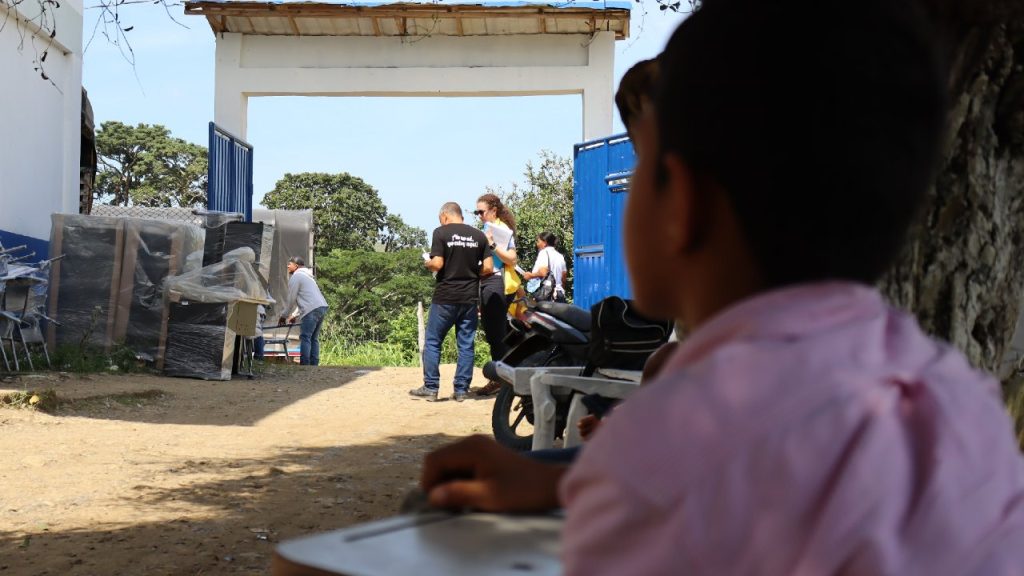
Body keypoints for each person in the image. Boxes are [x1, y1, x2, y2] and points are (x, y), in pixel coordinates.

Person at [418, 1, 1024, 574]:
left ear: (681, 205)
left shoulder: (709, 433)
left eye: (642, 162)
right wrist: (560, 476)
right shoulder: (955, 394)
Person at [410, 202, 493, 402]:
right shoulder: (479, 236)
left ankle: (431, 387)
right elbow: (489, 268)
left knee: (432, 341)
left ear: (445, 216)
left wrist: (427, 262)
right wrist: (472, 273)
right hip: (470, 298)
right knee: (465, 344)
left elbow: (437, 263)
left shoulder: (441, 232)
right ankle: (462, 390)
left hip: (445, 297)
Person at [471, 193, 518, 397]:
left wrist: (491, 244)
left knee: (497, 334)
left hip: (497, 283)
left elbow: (512, 259)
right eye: (477, 212)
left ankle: (500, 380)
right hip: (486, 283)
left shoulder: (501, 230)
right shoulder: (486, 228)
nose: (479, 215)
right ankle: (502, 378)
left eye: (481, 211)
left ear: (493, 210)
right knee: (493, 332)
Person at [279, 256, 329, 366]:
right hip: (321, 307)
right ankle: (314, 364)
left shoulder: (297, 277)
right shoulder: (308, 277)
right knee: (313, 338)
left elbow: (291, 299)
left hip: (311, 309)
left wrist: (284, 316)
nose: (287, 266)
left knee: (305, 337)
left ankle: (305, 365)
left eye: (290, 264)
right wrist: (294, 315)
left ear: (296, 266)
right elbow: (307, 299)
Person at [522, 232, 568, 303]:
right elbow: (564, 277)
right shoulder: (560, 256)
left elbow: (543, 272)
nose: (537, 244)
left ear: (545, 242)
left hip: (546, 295)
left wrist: (530, 275)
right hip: (559, 294)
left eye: (538, 241)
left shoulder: (544, 253)